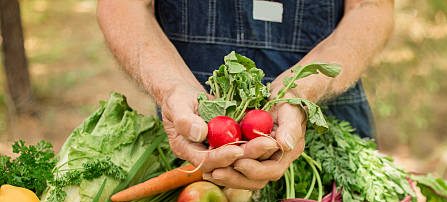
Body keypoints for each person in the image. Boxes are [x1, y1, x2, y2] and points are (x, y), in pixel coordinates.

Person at [97, 0, 394, 190]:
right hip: (191, 142)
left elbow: (371, 8)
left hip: (329, 126)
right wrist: (171, 87)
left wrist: (302, 90)